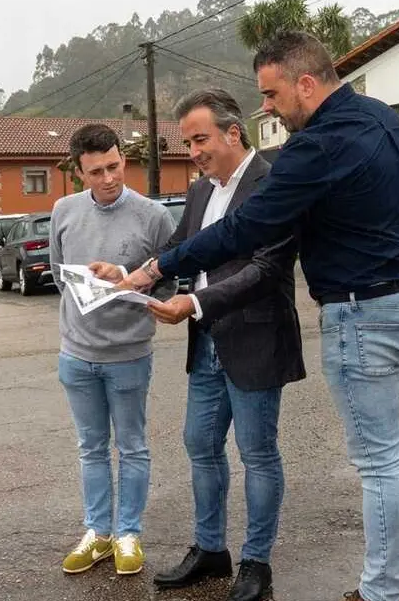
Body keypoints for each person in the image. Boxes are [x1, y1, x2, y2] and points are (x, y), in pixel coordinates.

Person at [116, 31, 399, 601]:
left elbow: (247, 230)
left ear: (306, 84)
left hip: (362, 311)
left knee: (376, 460)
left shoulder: (312, 147)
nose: (267, 107)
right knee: (391, 433)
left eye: (271, 94)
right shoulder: (382, 118)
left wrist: (157, 269)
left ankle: (381, 592)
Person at [91, 89, 304, 601]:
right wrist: (127, 274)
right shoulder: (201, 191)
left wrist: (195, 303)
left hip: (254, 338)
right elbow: (177, 251)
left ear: (233, 132)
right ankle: (211, 550)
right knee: (201, 447)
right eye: (187, 143)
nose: (193, 152)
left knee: (257, 453)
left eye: (200, 139)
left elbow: (266, 268)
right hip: (206, 341)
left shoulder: (273, 184)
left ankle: (256, 562)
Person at [49, 123, 175, 577]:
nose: (108, 178)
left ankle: (128, 535)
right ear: (78, 172)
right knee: (91, 448)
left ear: (123, 159)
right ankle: (98, 533)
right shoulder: (63, 211)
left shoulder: (153, 216)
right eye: (96, 171)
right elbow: (59, 276)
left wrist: (125, 277)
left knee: (133, 447)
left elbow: (171, 281)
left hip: (129, 354)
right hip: (76, 354)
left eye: (114, 166)